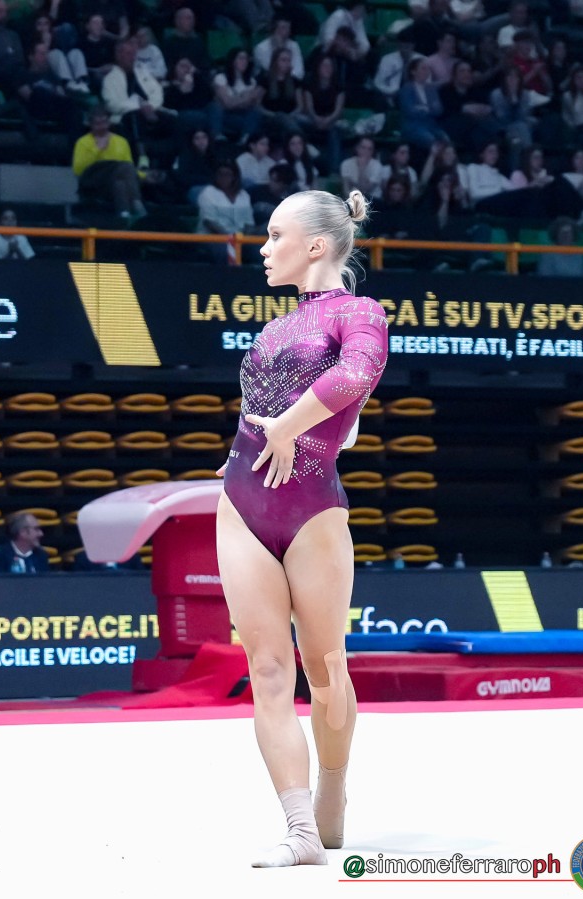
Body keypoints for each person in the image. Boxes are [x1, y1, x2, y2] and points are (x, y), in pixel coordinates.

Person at [220, 187, 386, 867]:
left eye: (274, 235)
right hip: (242, 501)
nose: (262, 249)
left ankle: (333, 789)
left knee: (325, 666)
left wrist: (290, 427)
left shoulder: (359, 312)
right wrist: (261, 438)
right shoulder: (273, 328)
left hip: (312, 506)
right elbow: (258, 407)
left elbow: (358, 374)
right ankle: (300, 830)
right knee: (265, 666)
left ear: (316, 245)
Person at [72, 106, 142, 218]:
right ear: (91, 125)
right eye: (98, 124)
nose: (102, 127)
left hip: (112, 181)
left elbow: (129, 167)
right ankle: (137, 203)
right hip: (93, 180)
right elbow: (78, 169)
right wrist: (97, 150)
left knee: (120, 184)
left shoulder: (121, 141)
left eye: (104, 122)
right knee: (121, 168)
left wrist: (143, 176)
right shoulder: (82, 142)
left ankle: (125, 216)